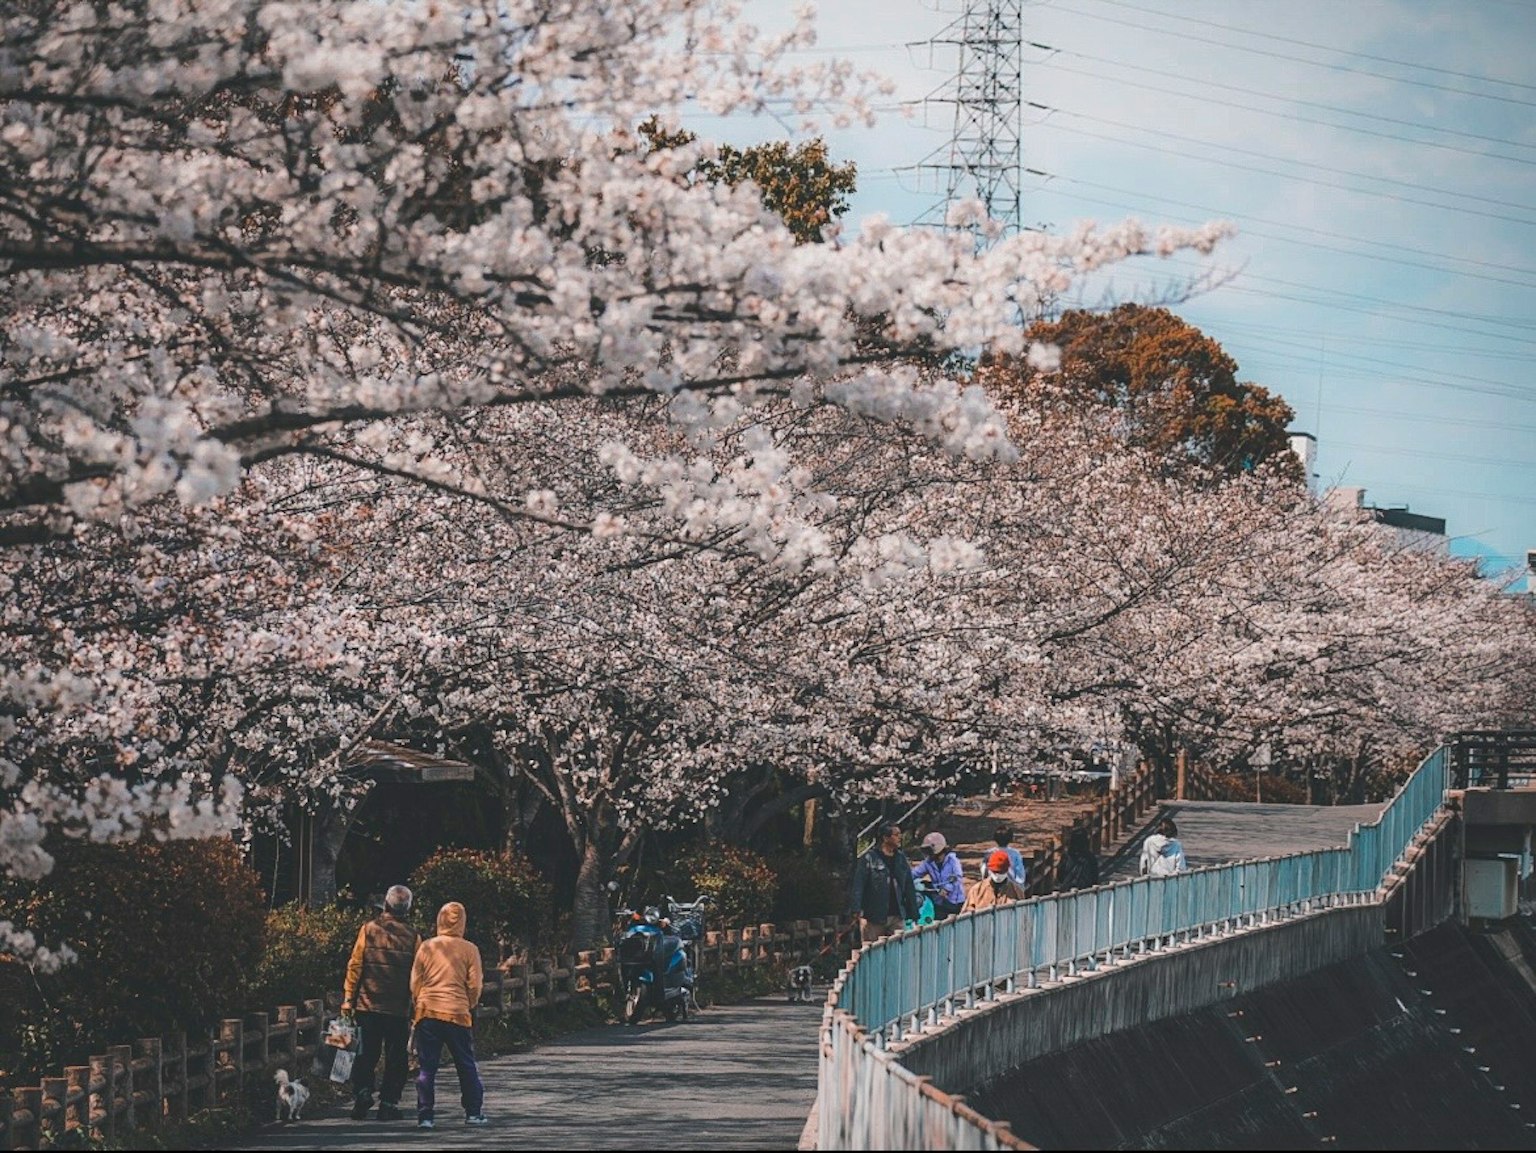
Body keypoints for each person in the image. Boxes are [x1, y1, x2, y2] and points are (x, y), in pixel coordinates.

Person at [340, 884, 421, 1122]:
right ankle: (388, 1103)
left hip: (367, 1004)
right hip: (397, 1008)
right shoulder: (414, 938)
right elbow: (418, 976)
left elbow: (355, 966)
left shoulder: (368, 930)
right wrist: (417, 1006)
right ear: (407, 909)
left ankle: (362, 1093)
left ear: (385, 905)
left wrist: (348, 999)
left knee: (366, 1054)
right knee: (396, 1059)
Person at [411, 901, 487, 1129]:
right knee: (465, 1063)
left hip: (428, 1012)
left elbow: (415, 981)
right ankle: (473, 1113)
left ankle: (425, 1115)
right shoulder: (469, 949)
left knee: (427, 1067)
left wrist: (419, 1002)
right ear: (463, 922)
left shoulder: (426, 946)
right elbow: (474, 984)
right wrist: (468, 1003)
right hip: (457, 1012)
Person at [848, 820, 921, 944]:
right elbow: (858, 885)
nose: (900, 837)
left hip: (897, 914)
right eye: (896, 835)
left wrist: (913, 912)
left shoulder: (901, 859)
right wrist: (856, 909)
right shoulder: (869, 859)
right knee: (871, 951)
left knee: (898, 949)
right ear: (885, 838)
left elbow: (909, 886)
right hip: (874, 916)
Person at [911, 831, 966, 920]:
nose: (928, 854)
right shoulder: (928, 863)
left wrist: (947, 889)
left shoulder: (952, 860)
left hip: (954, 901)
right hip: (939, 901)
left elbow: (957, 877)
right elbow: (916, 873)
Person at [961, 849, 1028, 912]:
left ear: (1007, 870)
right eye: (995, 872)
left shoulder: (1016, 891)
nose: (997, 875)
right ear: (989, 869)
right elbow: (965, 916)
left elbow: (1023, 916)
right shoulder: (976, 891)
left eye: (1001, 872)